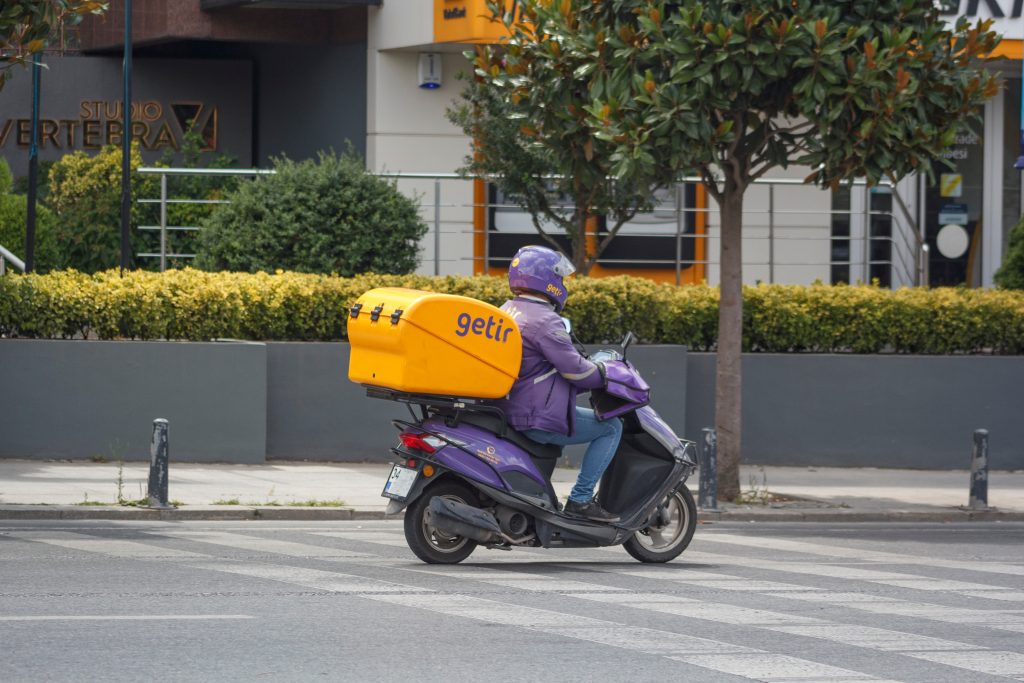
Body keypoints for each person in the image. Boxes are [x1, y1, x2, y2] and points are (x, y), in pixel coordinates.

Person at [497, 245, 623, 523]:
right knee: (612, 427)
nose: (563, 283)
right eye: (560, 277)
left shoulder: (507, 310)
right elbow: (577, 371)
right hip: (535, 416)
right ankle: (581, 500)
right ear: (547, 279)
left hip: (510, 407)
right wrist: (606, 374)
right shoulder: (545, 321)